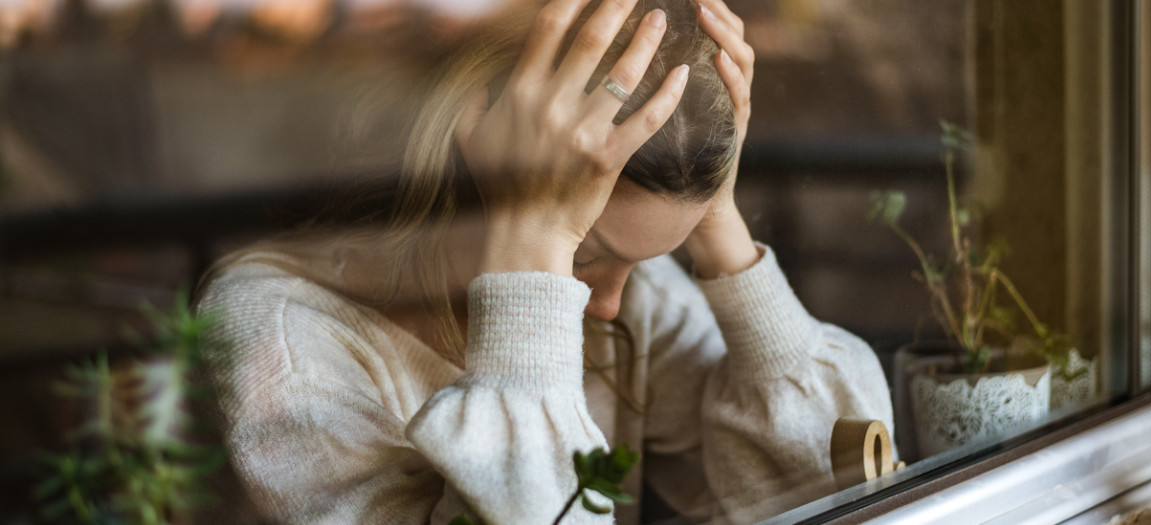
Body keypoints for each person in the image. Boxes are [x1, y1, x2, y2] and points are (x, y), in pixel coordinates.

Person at [197, 0, 893, 523]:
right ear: (480, 162)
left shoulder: (629, 292)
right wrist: (531, 249)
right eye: (583, 251)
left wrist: (717, 219)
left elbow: (830, 484)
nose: (613, 302)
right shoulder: (278, 333)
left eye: (651, 256)